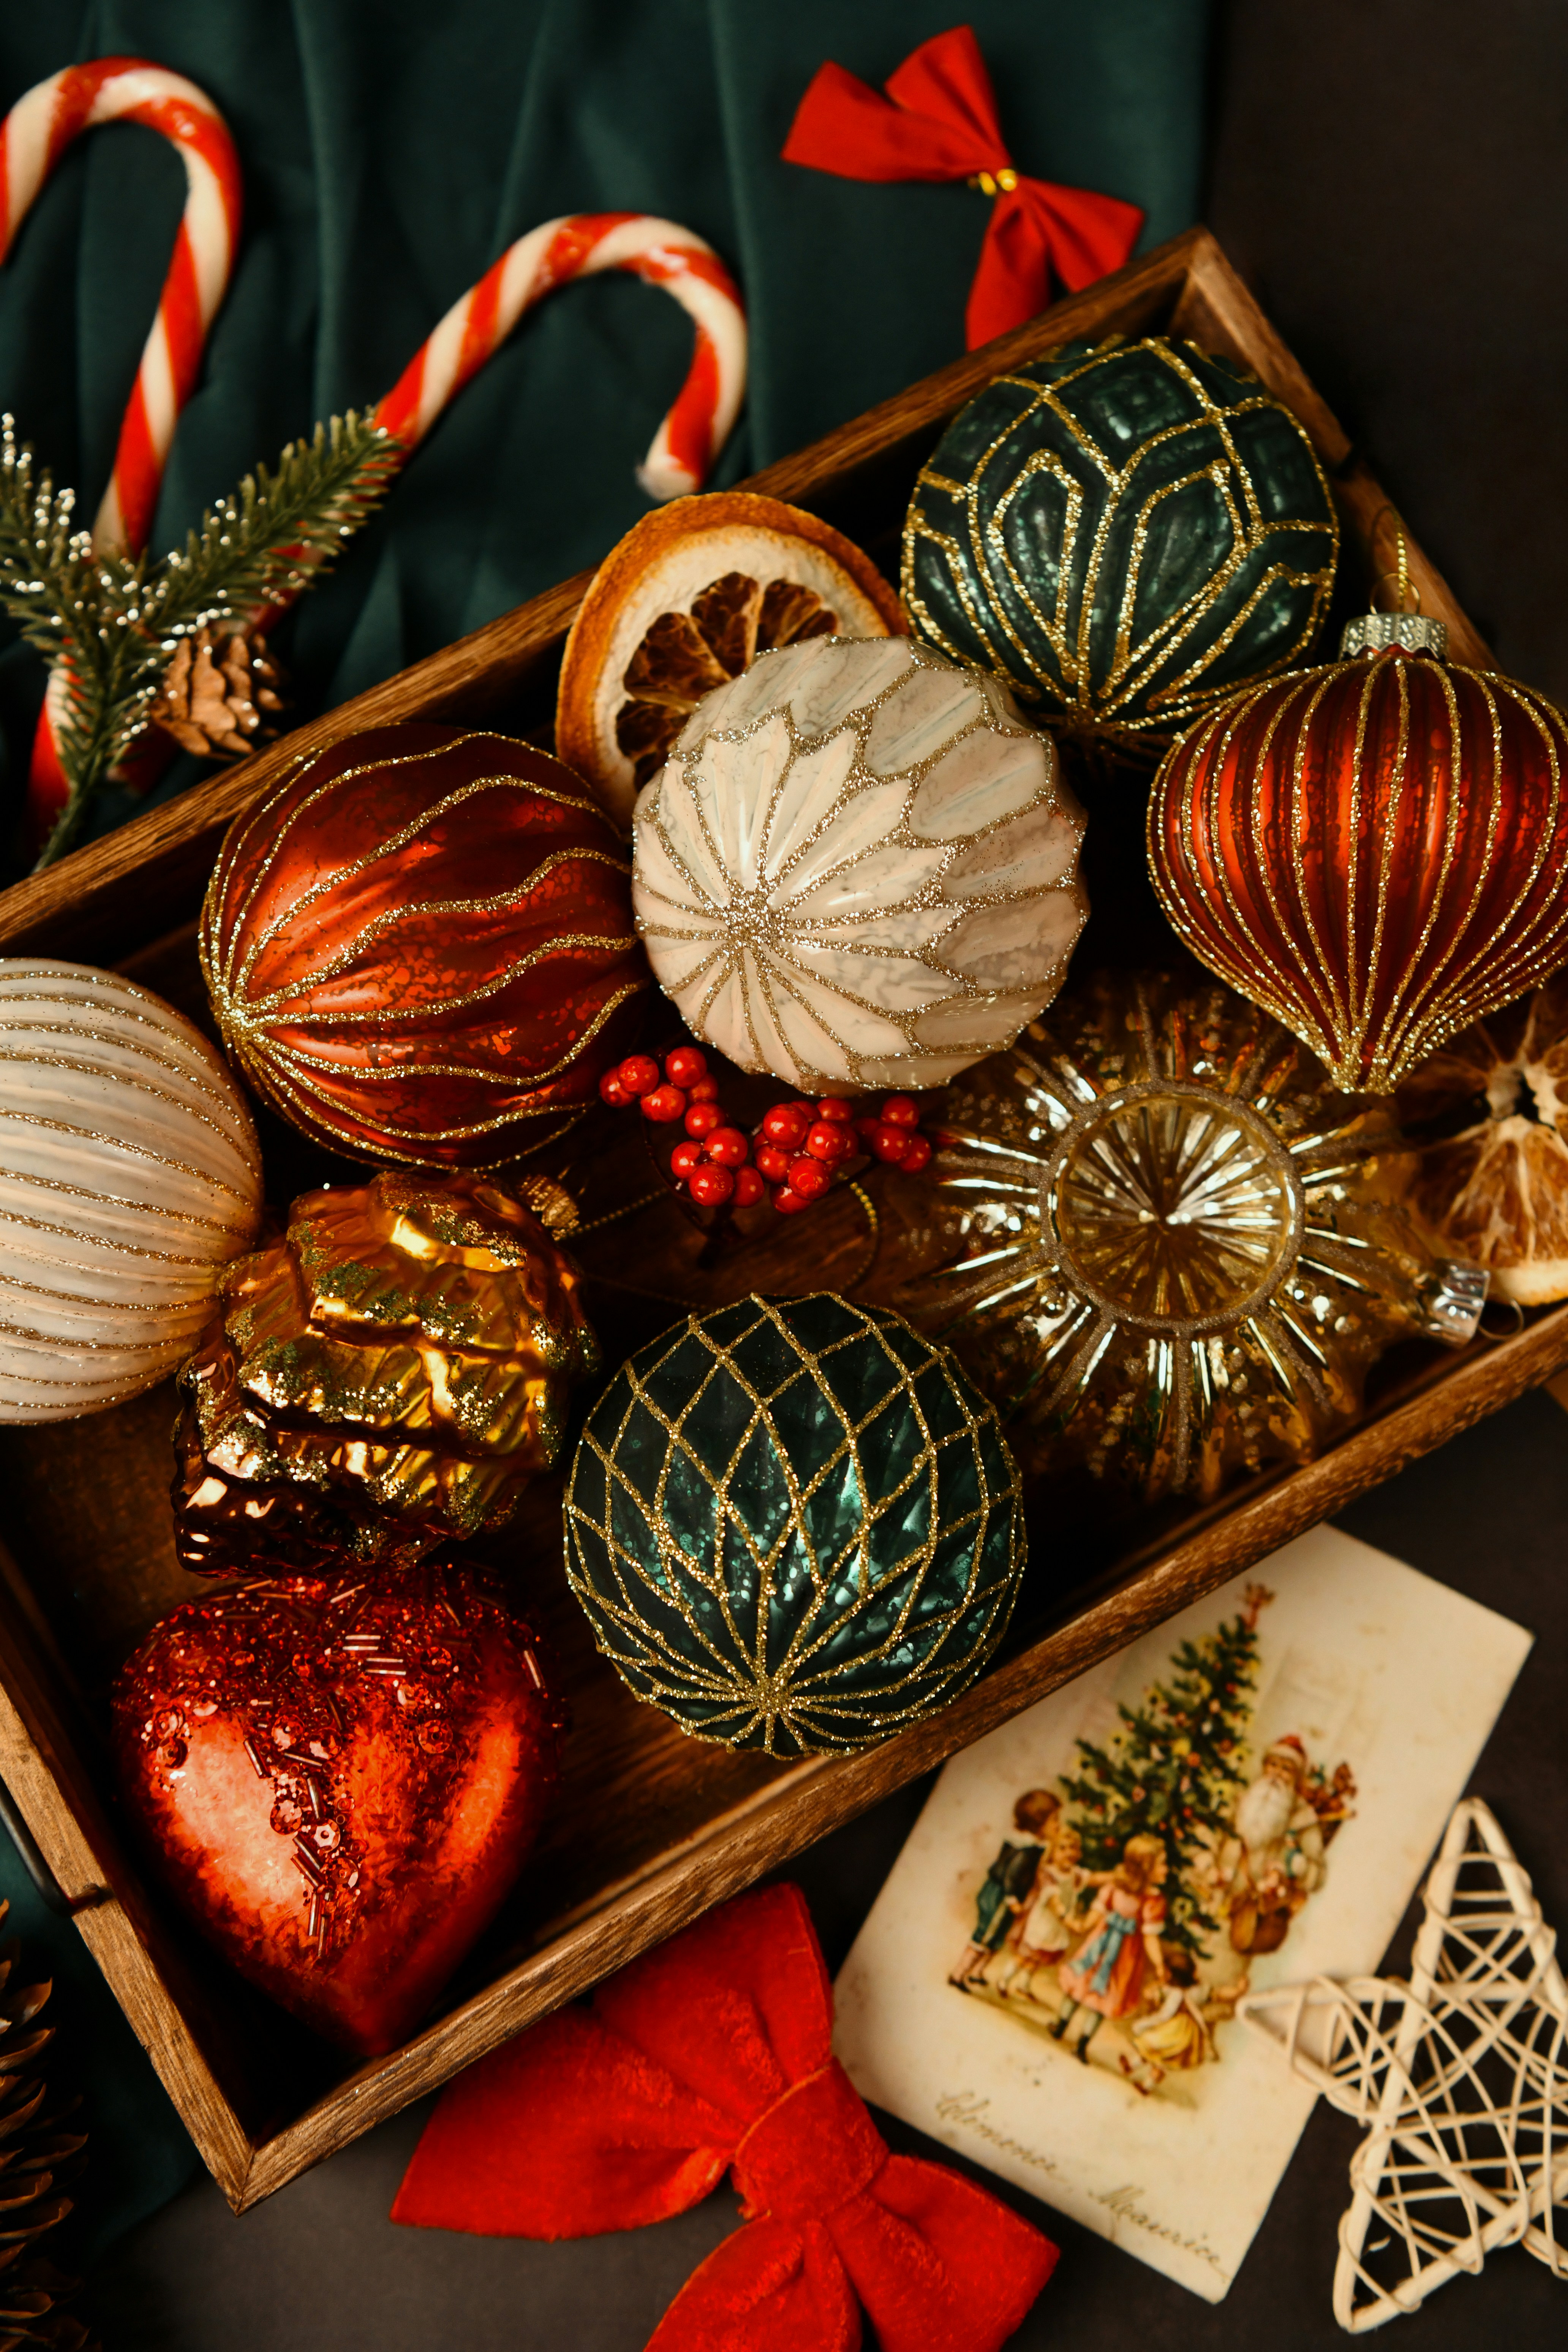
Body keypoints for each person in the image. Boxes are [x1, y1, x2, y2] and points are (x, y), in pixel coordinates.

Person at [1050, 1833, 1169, 2062]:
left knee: (1103, 1997)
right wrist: (1082, 1925)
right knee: (1081, 1984)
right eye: (1163, 1864)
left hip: (1123, 1958)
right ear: (1147, 1867)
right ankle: (1061, 2025)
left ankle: (1082, 2043)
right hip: (1100, 1945)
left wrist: (1159, 1964)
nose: (1167, 1870)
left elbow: (1150, 1937)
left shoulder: (1152, 1900)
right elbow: (1098, 1912)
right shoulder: (1116, 1886)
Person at [949, 1789, 1057, 1988]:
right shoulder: (1026, 1850)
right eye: (1054, 1820)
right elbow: (1012, 1875)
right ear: (1038, 1822)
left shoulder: (1029, 1845)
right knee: (986, 1935)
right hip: (1001, 1896)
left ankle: (977, 1972)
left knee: (997, 1936)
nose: (1058, 1825)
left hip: (1005, 1896)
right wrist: (1012, 1900)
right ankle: (958, 1974)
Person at [996, 1814, 1086, 2000]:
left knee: (1037, 1959)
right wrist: (1069, 1920)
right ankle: (1004, 1980)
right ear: (1052, 1852)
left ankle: (1023, 1984)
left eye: (1073, 1849)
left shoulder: (1075, 1874)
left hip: (1054, 1927)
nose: (1069, 1852)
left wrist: (1118, 1876)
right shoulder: (1048, 1874)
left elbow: (1093, 1879)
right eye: (1063, 1848)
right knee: (1024, 1956)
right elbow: (1055, 1902)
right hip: (1041, 1922)